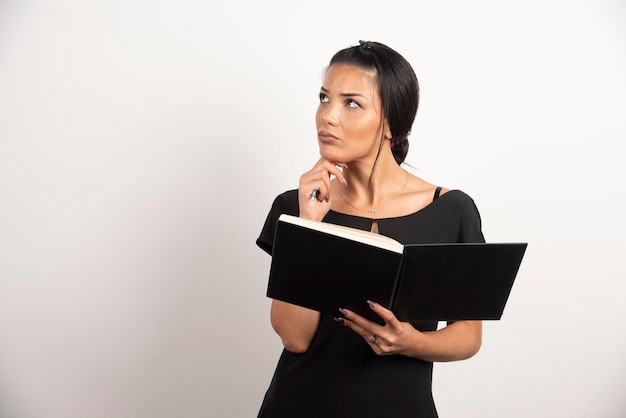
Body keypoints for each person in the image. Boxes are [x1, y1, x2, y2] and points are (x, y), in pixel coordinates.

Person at [256, 40, 484, 418]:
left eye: (351, 103)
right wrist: (308, 224)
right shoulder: (295, 206)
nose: (327, 116)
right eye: (324, 98)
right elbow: (294, 338)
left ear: (391, 122)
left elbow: (469, 335)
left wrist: (411, 342)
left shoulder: (451, 210)